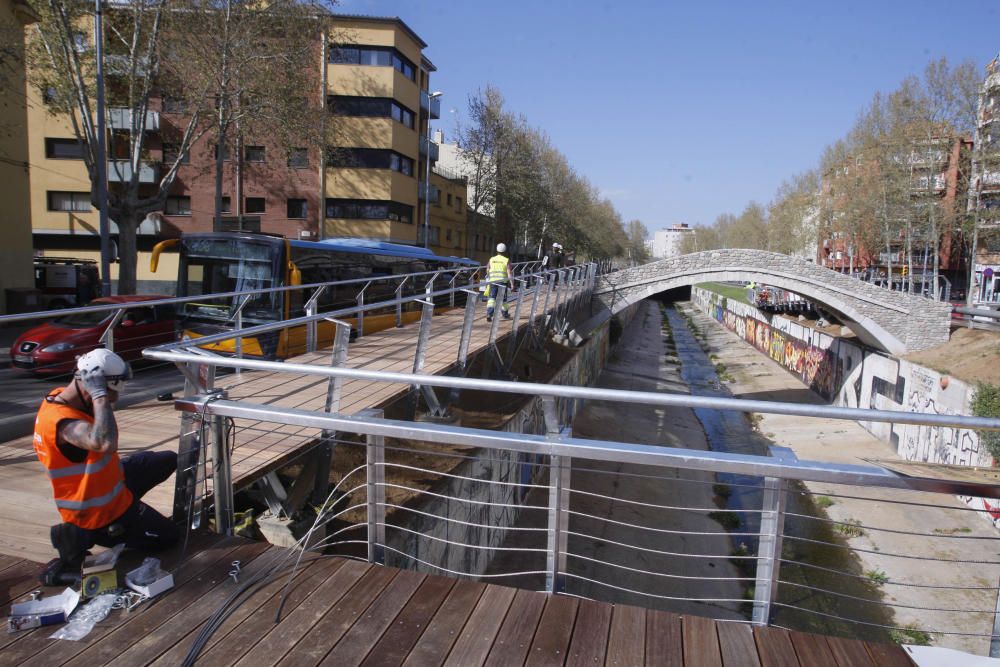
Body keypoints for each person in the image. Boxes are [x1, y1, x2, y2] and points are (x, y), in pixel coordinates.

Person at [34, 348, 179, 585]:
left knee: (166, 459)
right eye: (111, 393)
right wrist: (100, 394)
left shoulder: (60, 395)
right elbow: (105, 443)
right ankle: (79, 536)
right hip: (100, 513)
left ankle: (113, 513)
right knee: (170, 537)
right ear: (88, 387)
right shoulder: (63, 426)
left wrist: (92, 378)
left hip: (110, 481)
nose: (113, 400)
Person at [485, 242, 515, 322]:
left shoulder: (491, 259)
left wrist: (489, 276)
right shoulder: (506, 260)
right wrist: (512, 284)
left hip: (493, 281)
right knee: (503, 299)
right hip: (502, 282)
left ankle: (489, 314)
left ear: (497, 250)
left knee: (492, 298)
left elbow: (487, 269)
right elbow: (509, 273)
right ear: (505, 251)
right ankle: (505, 314)